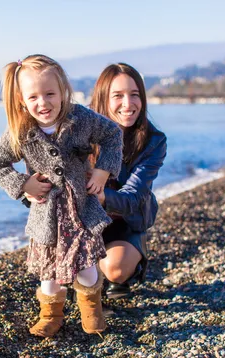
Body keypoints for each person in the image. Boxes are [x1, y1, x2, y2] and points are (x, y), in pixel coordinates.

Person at [0, 54, 123, 337]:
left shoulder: (81, 119)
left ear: (63, 92)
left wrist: (102, 172)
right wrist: (23, 185)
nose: (43, 103)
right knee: (48, 273)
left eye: (50, 94)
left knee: (85, 268)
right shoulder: (21, 132)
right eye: (33, 97)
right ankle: (51, 314)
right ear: (22, 99)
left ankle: (91, 310)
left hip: (81, 211)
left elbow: (112, 135)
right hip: (46, 216)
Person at [90, 63, 167, 299]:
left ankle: (126, 262)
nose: (128, 104)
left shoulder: (153, 141)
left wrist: (100, 195)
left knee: (116, 269)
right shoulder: (81, 129)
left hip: (128, 219)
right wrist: (28, 189)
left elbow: (133, 197)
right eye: (118, 96)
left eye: (135, 95)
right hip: (86, 222)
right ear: (103, 98)